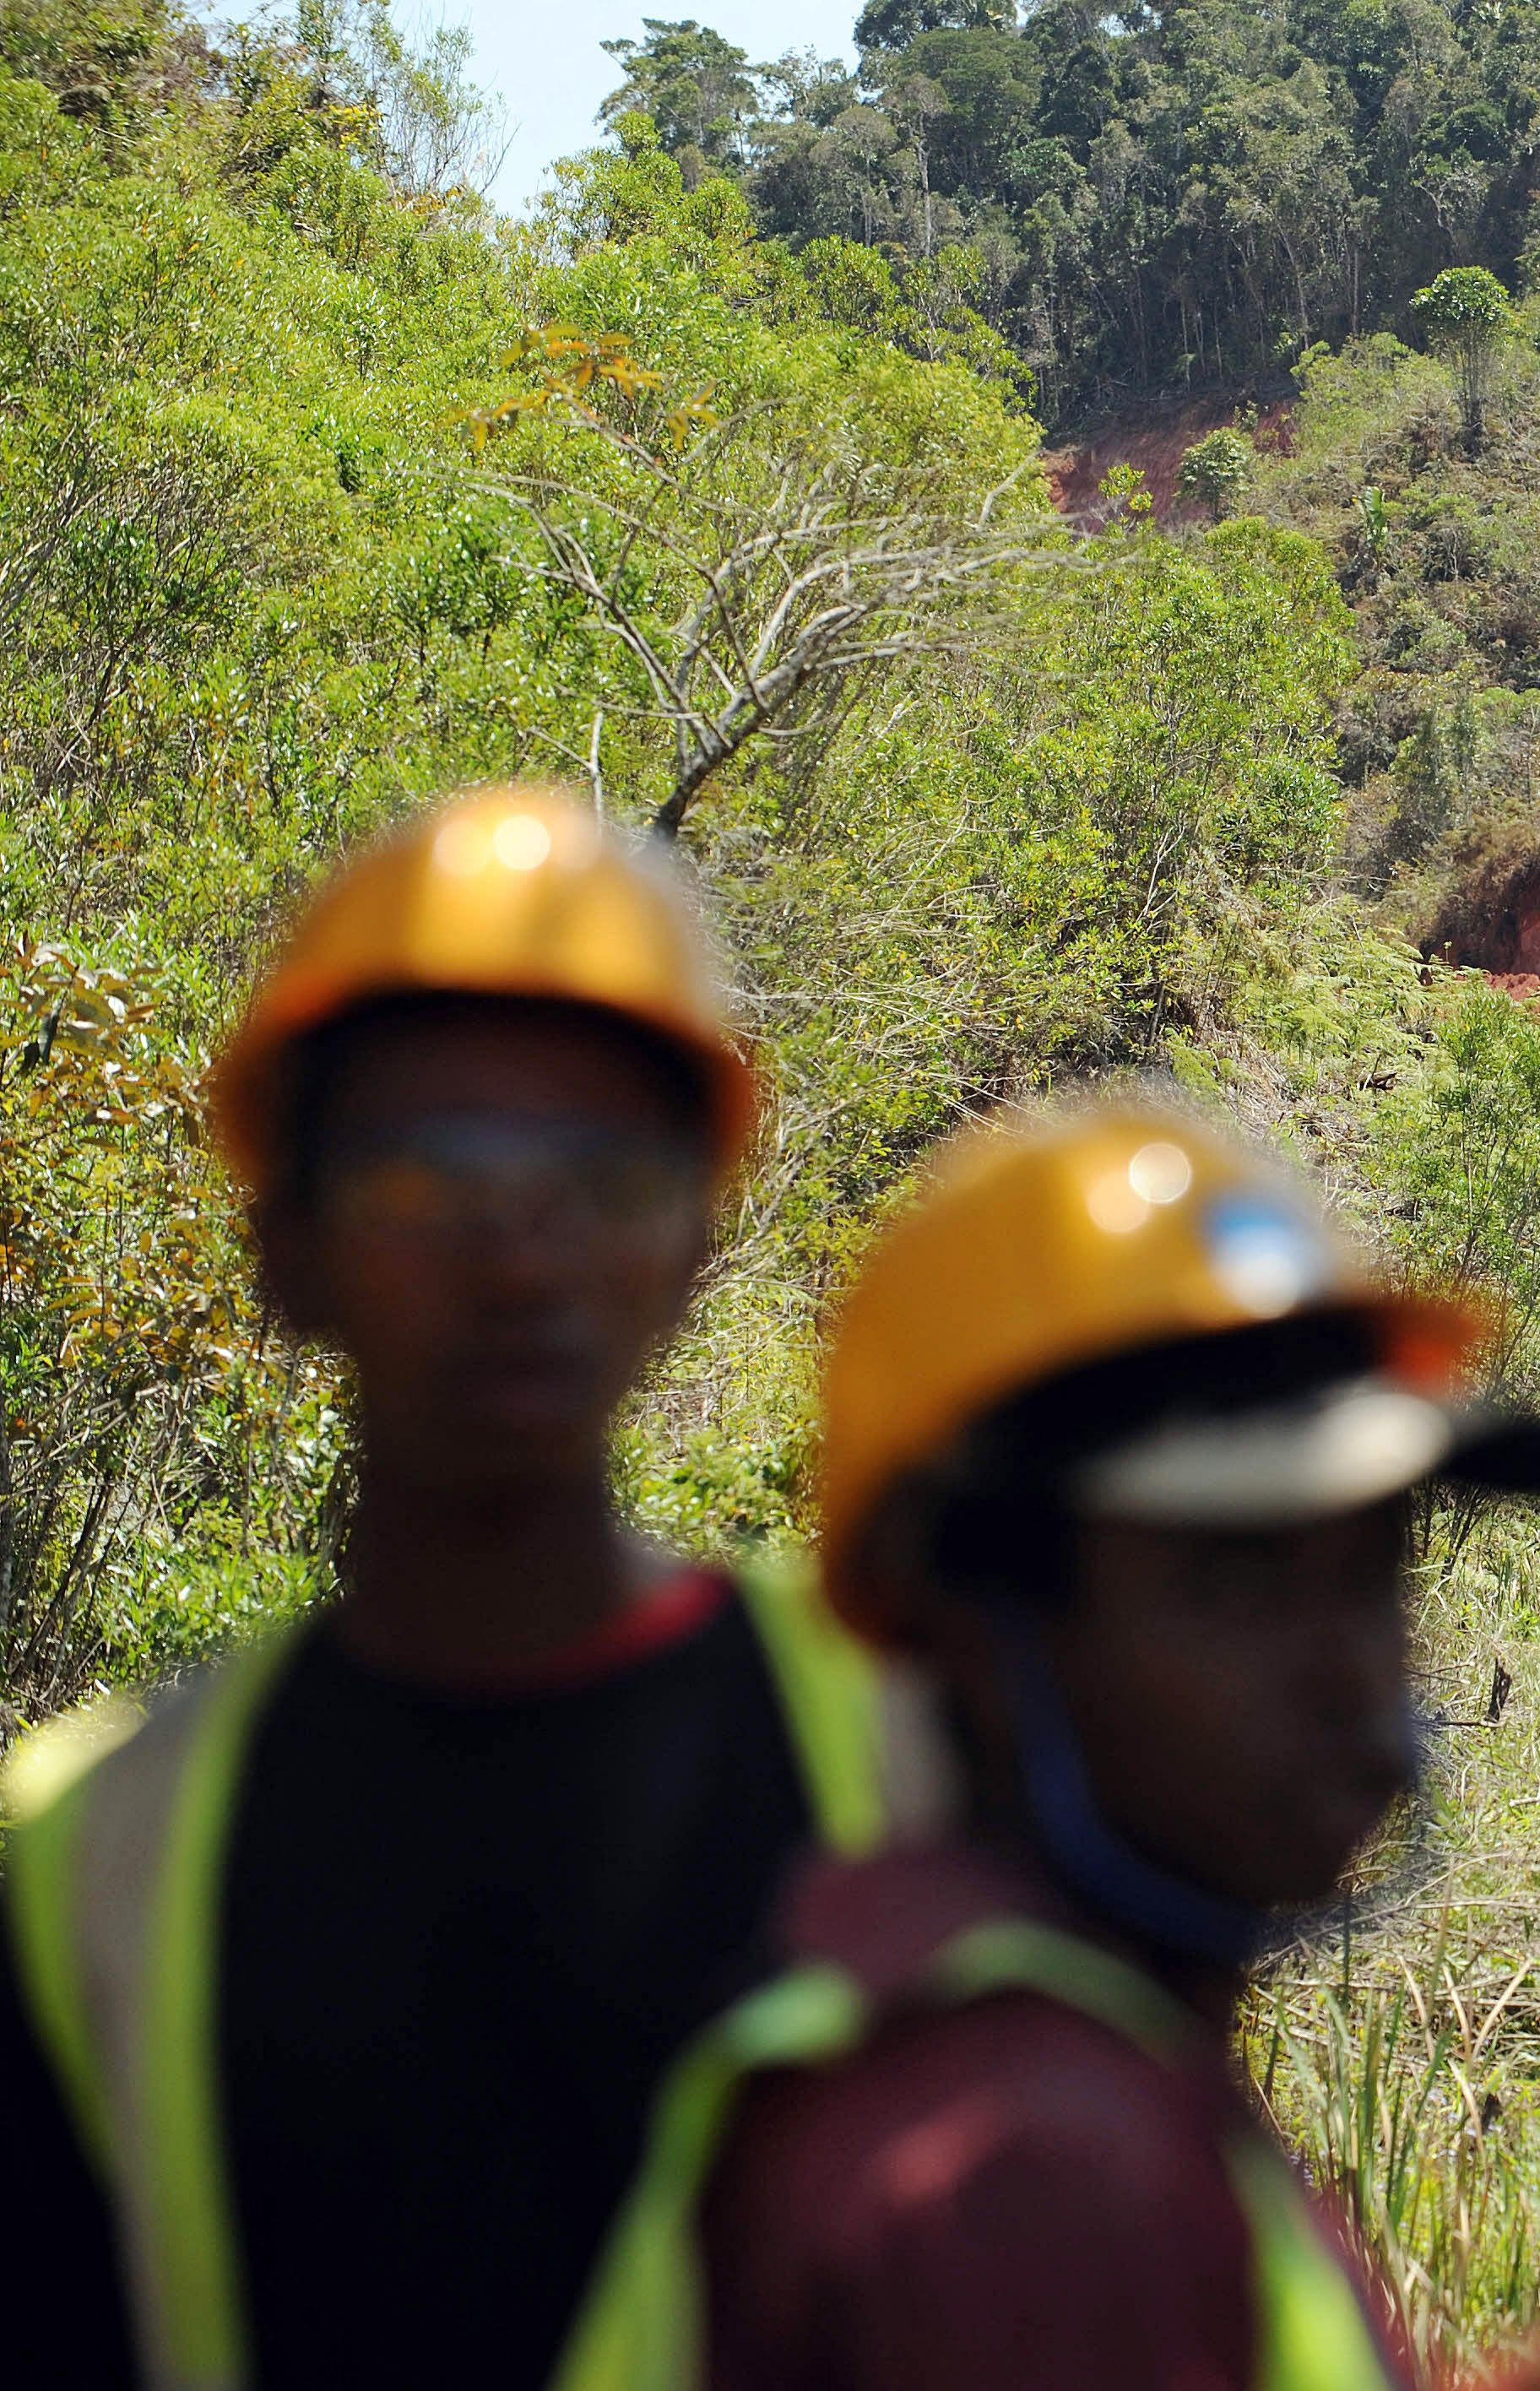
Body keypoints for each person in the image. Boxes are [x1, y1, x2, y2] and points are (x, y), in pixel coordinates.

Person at [538, 1100, 1540, 2391]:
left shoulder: (971, 2044)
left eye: (1371, 1567)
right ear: (971, 1625)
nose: (1346, 1670)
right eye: (1236, 1582)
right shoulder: (1033, 2174)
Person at [1, 787, 934, 2390]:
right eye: (430, 1180)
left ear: (696, 1243)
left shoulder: (919, 1757)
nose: (519, 1260)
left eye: (598, 1180)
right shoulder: (83, 1856)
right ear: (284, 1247)